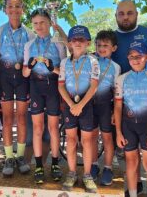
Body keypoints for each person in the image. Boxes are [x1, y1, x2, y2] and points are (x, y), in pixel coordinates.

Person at [112, 0, 147, 196]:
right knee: (130, 154)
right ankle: (135, 186)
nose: (125, 17)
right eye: (121, 13)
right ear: (116, 15)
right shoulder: (111, 39)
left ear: (137, 14)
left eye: (129, 13)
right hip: (124, 101)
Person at [0, 0, 35, 176]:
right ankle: (9, 156)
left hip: (23, 76)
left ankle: (20, 156)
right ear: (5, 10)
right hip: (5, 75)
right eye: (10, 6)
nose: (14, 9)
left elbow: (32, 62)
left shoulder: (30, 33)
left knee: (22, 118)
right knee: (8, 118)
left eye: (18, 6)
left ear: (23, 10)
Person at [22, 8, 67, 183]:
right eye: (35, 23)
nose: (39, 26)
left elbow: (63, 71)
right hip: (35, 86)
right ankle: (39, 164)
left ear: (49, 23)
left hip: (53, 86)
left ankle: (55, 163)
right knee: (38, 128)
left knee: (53, 128)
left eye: (42, 22)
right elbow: (25, 74)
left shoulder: (57, 43)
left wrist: (51, 68)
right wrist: (30, 66)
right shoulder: (29, 45)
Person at [114, 41, 147, 197]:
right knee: (131, 163)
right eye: (131, 57)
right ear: (128, 58)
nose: (135, 60)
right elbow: (118, 107)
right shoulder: (121, 79)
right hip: (128, 128)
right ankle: (133, 194)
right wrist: (119, 133)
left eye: (139, 56)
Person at [58, 25, 100, 193]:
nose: (77, 42)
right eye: (74, 39)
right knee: (71, 140)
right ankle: (72, 172)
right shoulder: (63, 63)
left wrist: (80, 105)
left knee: (88, 141)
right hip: (70, 105)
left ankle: (88, 175)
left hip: (86, 104)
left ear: (88, 43)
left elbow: (94, 86)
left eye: (81, 39)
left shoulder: (93, 61)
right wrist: (71, 105)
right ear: (69, 42)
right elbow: (61, 86)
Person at [90, 30, 121, 185]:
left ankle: (108, 167)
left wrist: (115, 112)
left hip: (106, 107)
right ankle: (94, 165)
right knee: (93, 137)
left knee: (108, 138)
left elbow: (117, 93)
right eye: (99, 45)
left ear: (113, 48)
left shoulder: (116, 67)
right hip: (90, 107)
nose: (102, 48)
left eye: (106, 45)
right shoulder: (89, 60)